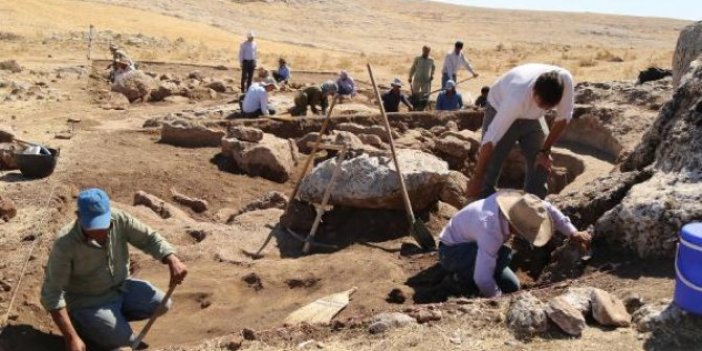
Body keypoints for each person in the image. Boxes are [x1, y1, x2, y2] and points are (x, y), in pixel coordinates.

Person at [40, 188, 188, 351]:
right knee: (126, 344)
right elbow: (52, 293)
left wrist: (172, 259)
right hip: (89, 302)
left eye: (104, 224)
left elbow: (149, 238)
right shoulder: (65, 243)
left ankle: (109, 322)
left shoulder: (118, 219)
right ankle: (84, 324)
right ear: (79, 216)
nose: (101, 232)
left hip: (121, 288)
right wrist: (71, 337)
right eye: (94, 227)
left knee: (162, 304)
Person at [439, 189, 591, 298]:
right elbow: (482, 278)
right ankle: (456, 281)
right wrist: (498, 300)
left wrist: (572, 232)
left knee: (511, 284)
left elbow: (548, 209)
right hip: (451, 251)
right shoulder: (490, 229)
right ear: (516, 226)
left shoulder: (522, 204)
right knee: (498, 262)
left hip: (472, 242)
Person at [466, 64, 574, 200]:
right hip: (499, 107)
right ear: (534, 90)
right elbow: (489, 141)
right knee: (491, 164)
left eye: (548, 107)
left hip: (533, 118)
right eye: (541, 104)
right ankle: (482, 207)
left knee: (541, 164)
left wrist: (545, 151)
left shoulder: (565, 82)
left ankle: (532, 207)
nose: (543, 108)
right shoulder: (515, 99)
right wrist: (477, 176)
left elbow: (563, 118)